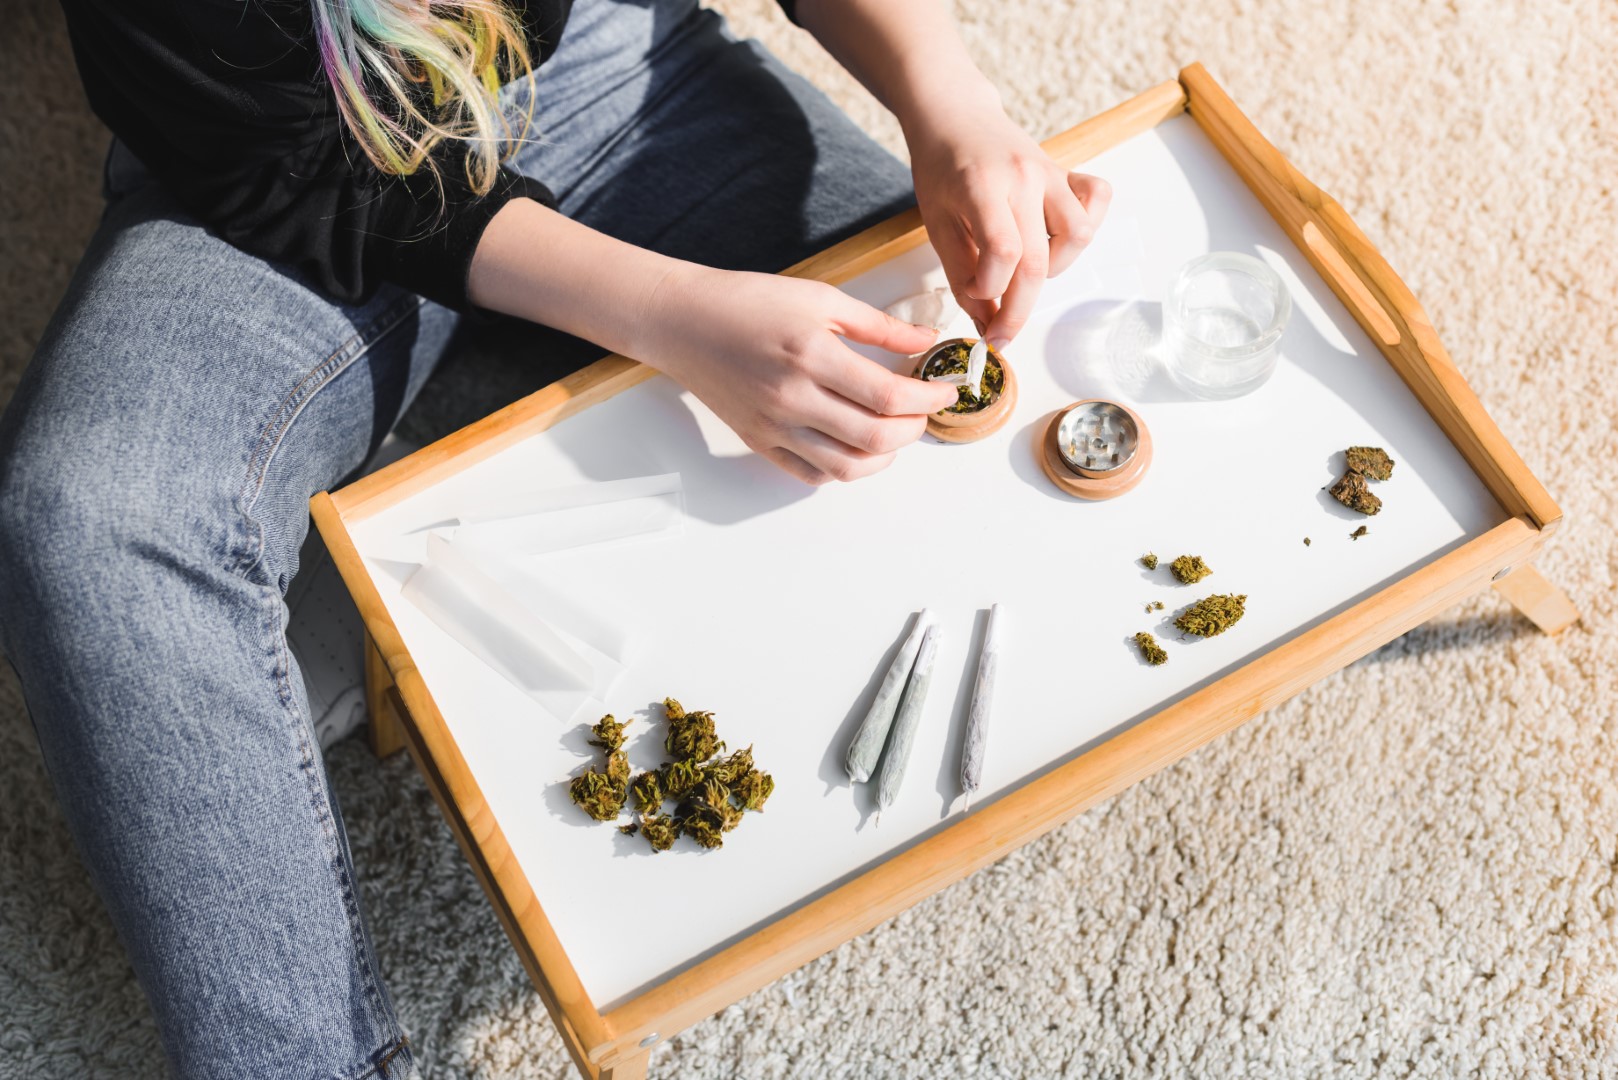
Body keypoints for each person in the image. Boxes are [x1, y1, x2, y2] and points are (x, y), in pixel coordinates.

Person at [0, 0, 1110, 1074]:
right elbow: (275, 151)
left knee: (966, 387)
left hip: (594, 66)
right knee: (98, 519)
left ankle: (302, 614)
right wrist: (667, 314)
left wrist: (948, 101)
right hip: (291, 126)